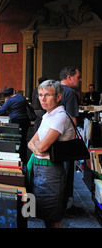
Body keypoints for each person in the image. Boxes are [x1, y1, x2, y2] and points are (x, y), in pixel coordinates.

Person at [27, 80, 74, 228]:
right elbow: (31, 143)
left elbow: (42, 146)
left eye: (47, 95)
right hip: (39, 168)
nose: (42, 99)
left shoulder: (60, 116)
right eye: (40, 95)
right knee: (43, 214)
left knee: (52, 218)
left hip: (51, 171)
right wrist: (38, 148)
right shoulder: (48, 116)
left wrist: (37, 148)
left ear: (59, 97)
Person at [0, 86, 31, 165]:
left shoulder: (9, 101)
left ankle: (18, 157)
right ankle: (24, 158)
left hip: (16, 121)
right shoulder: (20, 96)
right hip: (26, 120)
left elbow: (1, 111)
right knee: (23, 139)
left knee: (16, 140)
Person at [59, 66, 81, 210]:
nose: (79, 80)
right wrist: (73, 143)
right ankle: (66, 204)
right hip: (66, 137)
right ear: (69, 77)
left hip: (51, 135)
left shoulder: (52, 89)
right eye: (78, 77)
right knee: (67, 172)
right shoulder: (70, 93)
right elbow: (72, 118)